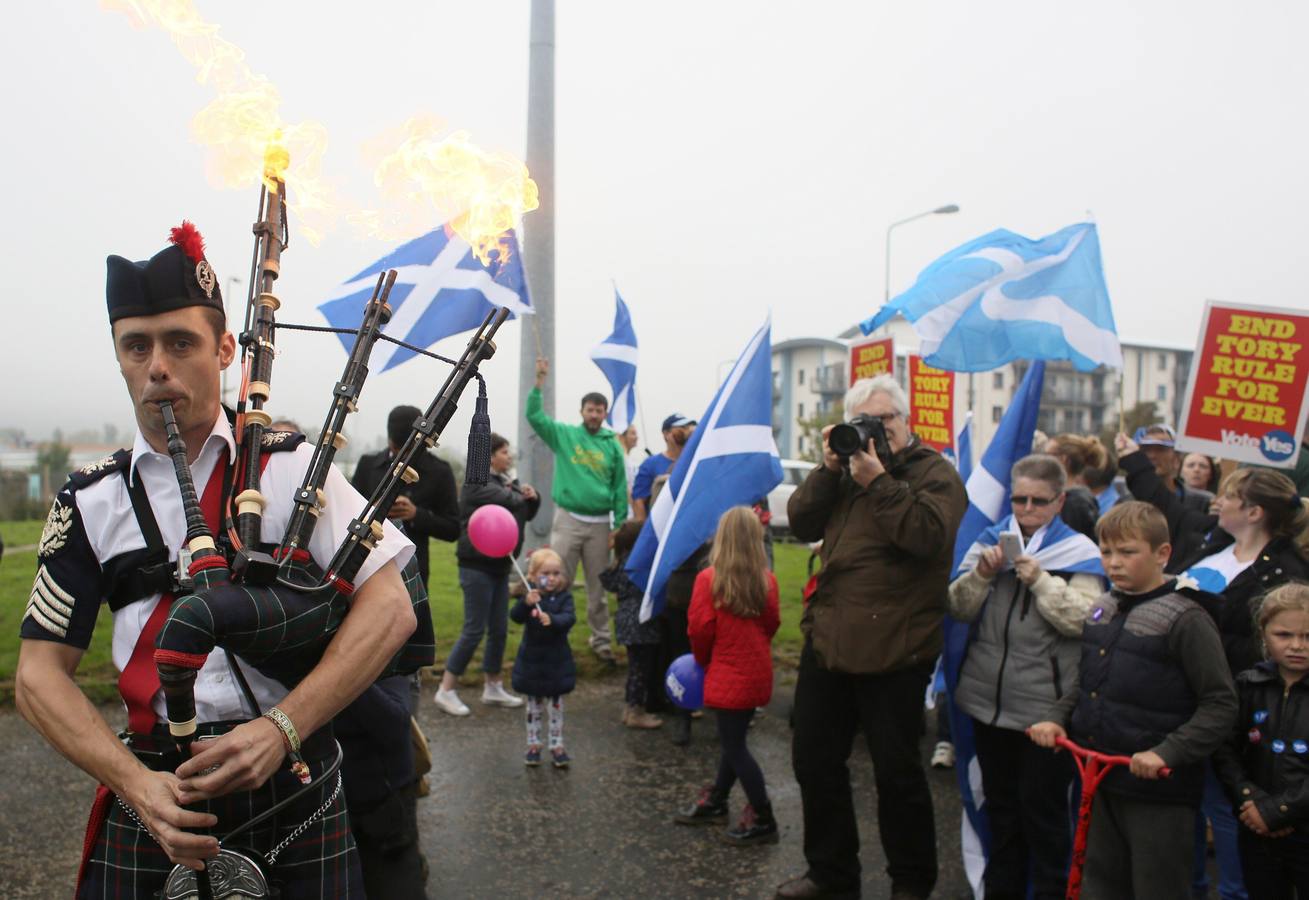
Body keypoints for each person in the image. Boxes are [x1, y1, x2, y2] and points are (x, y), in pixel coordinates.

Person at [15, 224, 417, 897]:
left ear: (226, 349)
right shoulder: (92, 501)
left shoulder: (294, 470)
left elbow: (391, 608)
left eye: (181, 342)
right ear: (119, 357)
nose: (158, 367)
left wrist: (282, 726)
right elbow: (37, 675)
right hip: (159, 789)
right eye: (136, 346)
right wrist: (133, 783)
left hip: (291, 774)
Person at [778, 374, 968, 900]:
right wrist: (829, 468)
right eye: (864, 421)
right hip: (830, 640)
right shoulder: (842, 471)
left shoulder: (935, 474)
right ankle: (830, 874)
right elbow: (798, 522)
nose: (876, 431)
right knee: (814, 762)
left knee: (897, 774)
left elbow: (927, 536)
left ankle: (911, 882)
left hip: (897, 649)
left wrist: (878, 480)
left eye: (885, 419)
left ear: (907, 422)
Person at [1029, 501, 1238, 900]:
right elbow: (1086, 681)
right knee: (1102, 885)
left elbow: (1220, 704)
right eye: (1106, 552)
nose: (1114, 563)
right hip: (1100, 777)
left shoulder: (1186, 618)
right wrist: (1057, 718)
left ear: (1162, 554)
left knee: (1156, 887)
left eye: (1127, 552)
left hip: (1159, 791)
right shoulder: (1103, 607)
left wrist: (1168, 752)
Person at [949, 454, 1104, 900]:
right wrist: (980, 575)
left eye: (1038, 501)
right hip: (987, 705)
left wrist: (1039, 580)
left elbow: (1084, 620)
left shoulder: (1079, 553)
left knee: (1044, 817)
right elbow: (958, 608)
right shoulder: (990, 542)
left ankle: (1052, 892)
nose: (1027, 509)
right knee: (1001, 813)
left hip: (1044, 712)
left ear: (1059, 502)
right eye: (1019, 499)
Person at [675, 506, 781, 845]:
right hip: (757, 671)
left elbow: (700, 630)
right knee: (732, 739)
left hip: (726, 671)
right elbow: (772, 624)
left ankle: (763, 815)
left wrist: (703, 662)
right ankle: (718, 798)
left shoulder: (709, 580)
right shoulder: (768, 581)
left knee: (734, 745)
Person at [526, 357, 627, 662]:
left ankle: (601, 641)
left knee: (598, 587)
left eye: (599, 410)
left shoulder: (613, 445)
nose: (594, 414)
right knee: (555, 579)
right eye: (590, 409)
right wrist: (539, 382)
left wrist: (618, 524)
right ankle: (553, 634)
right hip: (568, 519)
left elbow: (620, 487)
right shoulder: (566, 435)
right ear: (582, 411)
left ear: (605, 414)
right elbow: (535, 417)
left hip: (599, 524)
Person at [1213, 583, 1309, 899]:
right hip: (1256, 827)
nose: (1297, 645)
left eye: (1307, 636)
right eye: (1284, 635)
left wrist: (1278, 811)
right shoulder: (1248, 686)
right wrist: (1250, 800)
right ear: (1264, 634)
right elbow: (1226, 750)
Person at [437, 433, 540, 716]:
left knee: (499, 629)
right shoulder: (476, 482)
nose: (509, 457)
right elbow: (503, 499)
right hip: (475, 566)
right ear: (491, 456)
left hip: (500, 565)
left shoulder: (508, 483)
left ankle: (493, 685)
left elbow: (524, 512)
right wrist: (520, 494)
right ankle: (446, 689)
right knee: (474, 629)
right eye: (505, 452)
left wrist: (533, 497)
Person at [352, 403, 460, 588]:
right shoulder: (368, 465)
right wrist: (375, 510)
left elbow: (453, 529)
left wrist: (416, 514)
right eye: (398, 451)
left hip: (413, 569)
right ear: (390, 442)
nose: (404, 458)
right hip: (365, 565)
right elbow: (348, 514)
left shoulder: (439, 471)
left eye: (410, 451)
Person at [510, 548, 577, 768]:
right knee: (534, 707)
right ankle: (533, 744)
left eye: (556, 573)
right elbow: (516, 617)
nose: (552, 578)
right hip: (533, 661)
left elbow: (569, 618)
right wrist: (526, 603)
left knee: (556, 706)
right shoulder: (530, 596)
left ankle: (557, 744)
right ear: (533, 575)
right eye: (546, 573)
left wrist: (553, 619)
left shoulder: (565, 597)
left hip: (557, 661)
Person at [602, 520, 665, 729]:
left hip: (625, 621)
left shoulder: (621, 563)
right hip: (640, 624)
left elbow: (608, 582)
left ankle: (629, 709)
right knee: (641, 670)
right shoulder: (640, 564)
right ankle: (636, 711)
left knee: (634, 668)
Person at [631, 413, 695, 520]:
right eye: (681, 428)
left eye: (688, 427)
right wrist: (642, 528)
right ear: (666, 434)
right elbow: (639, 500)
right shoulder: (650, 464)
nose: (686, 431)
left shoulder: (693, 462)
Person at [1044, 433, 1109, 539]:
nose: (1042, 459)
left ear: (1063, 459)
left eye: (1047, 455)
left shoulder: (1073, 502)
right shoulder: (1078, 497)